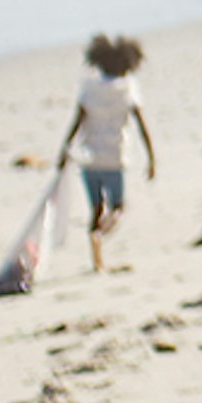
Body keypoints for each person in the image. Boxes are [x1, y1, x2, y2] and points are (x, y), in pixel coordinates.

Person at [52, 34, 158, 274]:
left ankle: (97, 260)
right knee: (118, 207)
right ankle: (102, 234)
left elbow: (76, 123)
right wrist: (151, 158)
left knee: (96, 208)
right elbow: (142, 126)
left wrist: (65, 150)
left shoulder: (89, 89)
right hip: (115, 158)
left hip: (90, 159)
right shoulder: (128, 89)